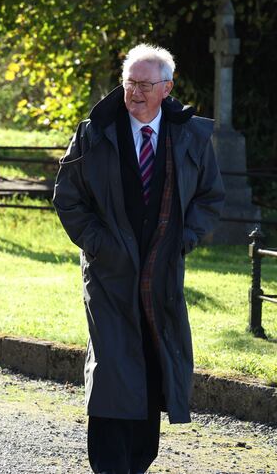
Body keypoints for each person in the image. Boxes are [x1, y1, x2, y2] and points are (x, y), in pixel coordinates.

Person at [53, 44, 225, 473]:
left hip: (162, 273)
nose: (135, 93)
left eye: (145, 85)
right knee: (112, 364)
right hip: (109, 272)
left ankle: (140, 460)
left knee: (153, 358)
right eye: (130, 83)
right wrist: (99, 245)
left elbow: (209, 197)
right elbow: (68, 198)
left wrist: (185, 239)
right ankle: (110, 464)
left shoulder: (190, 135)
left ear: (167, 88)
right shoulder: (96, 131)